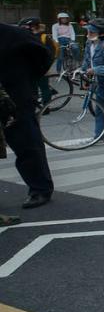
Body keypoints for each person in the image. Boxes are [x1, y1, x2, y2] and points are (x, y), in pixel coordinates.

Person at [1, 20, 56, 209]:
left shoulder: (13, 35)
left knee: (26, 142)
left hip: (15, 97)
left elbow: (43, 55)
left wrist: (26, 80)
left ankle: (40, 188)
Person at [18, 18, 56, 109]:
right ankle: (37, 106)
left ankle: (45, 107)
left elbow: (51, 53)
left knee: (43, 87)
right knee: (34, 88)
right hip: (31, 67)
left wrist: (47, 67)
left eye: (26, 26)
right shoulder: (27, 36)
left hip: (41, 67)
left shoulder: (44, 37)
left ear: (34, 26)